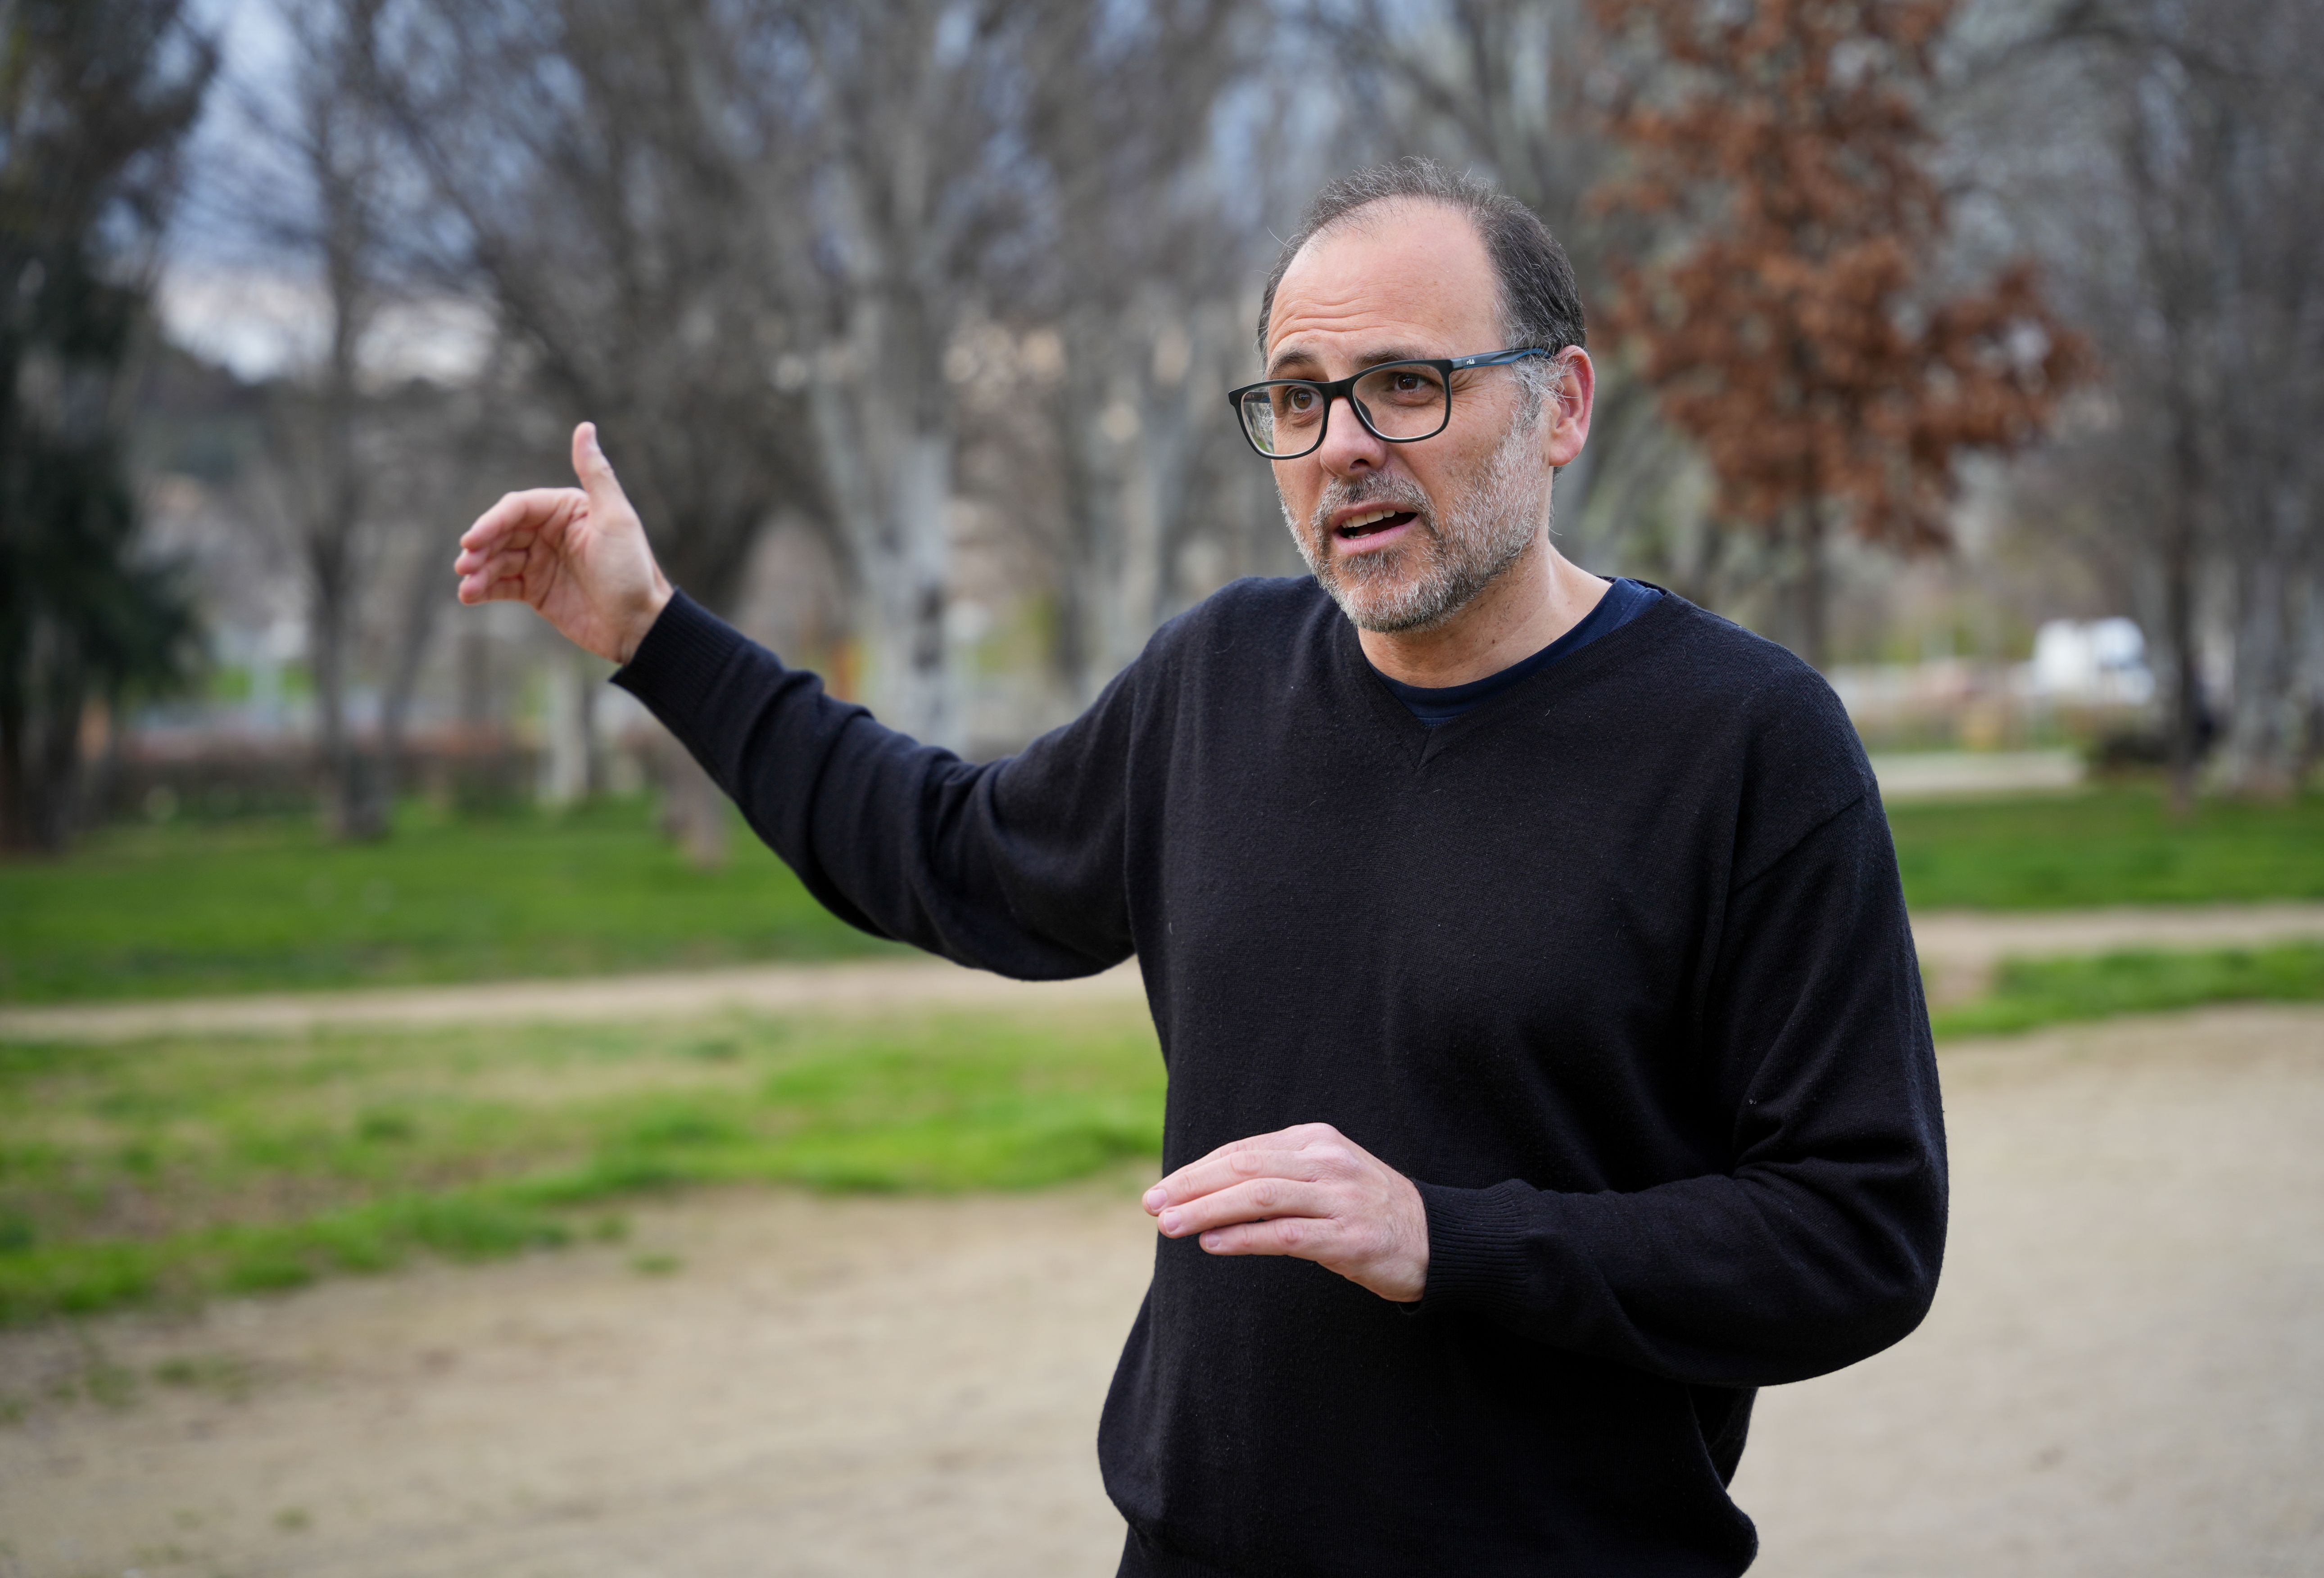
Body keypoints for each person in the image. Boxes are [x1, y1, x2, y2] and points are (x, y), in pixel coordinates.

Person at [454, 159, 1946, 1577]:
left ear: (1561, 406)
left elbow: (1858, 1232)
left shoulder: (1747, 741)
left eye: (1406, 384)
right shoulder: (1219, 678)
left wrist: (1449, 1237)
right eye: (1297, 397)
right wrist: (657, 638)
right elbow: (942, 850)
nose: (1342, 445)